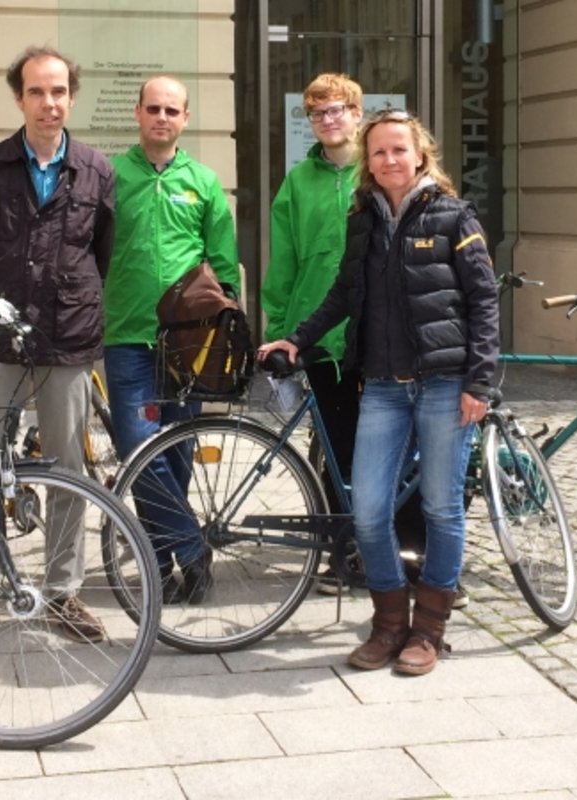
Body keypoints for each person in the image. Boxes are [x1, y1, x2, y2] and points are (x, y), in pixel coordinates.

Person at [258, 109, 499, 676]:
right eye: (379, 153)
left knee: (441, 508)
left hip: (443, 385)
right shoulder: (362, 218)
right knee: (367, 511)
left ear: (420, 155)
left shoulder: (454, 215)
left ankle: (429, 630)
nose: (389, 160)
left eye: (399, 150)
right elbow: (344, 292)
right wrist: (297, 338)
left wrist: (480, 380)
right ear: (367, 163)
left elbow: (484, 302)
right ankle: (389, 622)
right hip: (384, 388)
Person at [0, 45, 116, 649]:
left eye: (59, 91)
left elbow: (101, 255)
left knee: (72, 470)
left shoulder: (96, 170)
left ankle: (63, 593)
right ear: (19, 98)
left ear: (72, 96)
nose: (49, 103)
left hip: (67, 340)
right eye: (37, 92)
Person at [104, 75, 239, 604]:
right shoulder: (108, 176)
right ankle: (190, 545)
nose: (162, 117)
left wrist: (226, 324)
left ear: (185, 119)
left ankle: (157, 566)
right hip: (126, 335)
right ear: (137, 113)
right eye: (153, 108)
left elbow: (223, 261)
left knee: (177, 454)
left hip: (191, 342)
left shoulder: (203, 182)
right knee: (140, 449)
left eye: (172, 110)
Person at [260, 73, 363, 596]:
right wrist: (279, 331)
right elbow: (284, 262)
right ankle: (342, 553)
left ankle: (390, 545)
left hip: (374, 333)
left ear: (356, 113)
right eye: (317, 113)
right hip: (320, 331)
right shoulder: (298, 183)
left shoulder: (381, 168)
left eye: (336, 109)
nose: (327, 119)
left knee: (388, 443)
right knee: (335, 447)